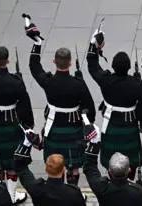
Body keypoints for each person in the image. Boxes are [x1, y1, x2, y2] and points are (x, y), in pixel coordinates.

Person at [28, 23, 96, 186]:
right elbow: (90, 108)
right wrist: (87, 122)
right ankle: (72, 191)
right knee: (73, 167)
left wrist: (37, 44)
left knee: (55, 163)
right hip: (73, 129)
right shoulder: (78, 84)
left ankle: (57, 191)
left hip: (53, 128)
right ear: (70, 63)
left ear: (54, 61)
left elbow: (34, 67)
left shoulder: (48, 81)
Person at [86, 29, 142, 180]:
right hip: (130, 124)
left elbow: (93, 67)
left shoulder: (106, 80)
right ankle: (130, 182)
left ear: (113, 66)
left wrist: (93, 46)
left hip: (111, 123)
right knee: (131, 163)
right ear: (129, 67)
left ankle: (112, 181)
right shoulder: (136, 84)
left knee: (112, 162)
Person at [0, 46, 33, 204]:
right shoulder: (16, 82)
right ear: (7, 61)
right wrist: (28, 125)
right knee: (12, 163)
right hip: (11, 123)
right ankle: (11, 196)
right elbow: (25, 105)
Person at [82, 125, 142, 206]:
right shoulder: (137, 191)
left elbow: (89, 167)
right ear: (129, 170)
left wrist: (94, 143)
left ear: (109, 170)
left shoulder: (101, 188)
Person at [14, 129, 86, 206]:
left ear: (46, 169)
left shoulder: (35, 188)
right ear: (63, 169)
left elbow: (20, 167)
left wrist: (26, 144)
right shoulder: (74, 193)